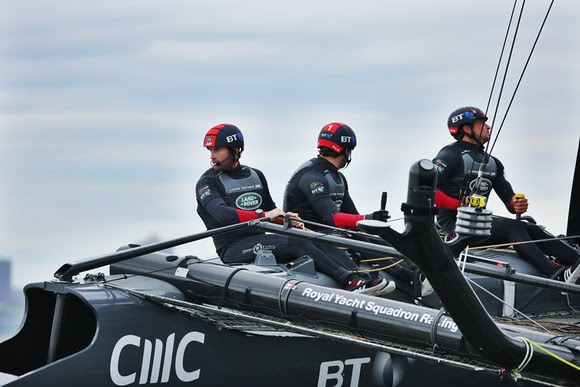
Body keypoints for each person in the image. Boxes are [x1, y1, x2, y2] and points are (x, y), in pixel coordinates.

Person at [196, 123, 395, 296]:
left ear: (235, 149)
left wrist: (284, 218)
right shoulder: (207, 182)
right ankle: (349, 281)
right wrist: (264, 216)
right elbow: (222, 214)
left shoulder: (255, 175)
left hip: (257, 238)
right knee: (295, 242)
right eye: (210, 150)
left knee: (315, 237)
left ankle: (362, 277)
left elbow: (271, 210)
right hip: (232, 248)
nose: (212, 156)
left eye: (217, 150)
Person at [283, 122, 432, 297]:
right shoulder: (313, 176)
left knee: (368, 235)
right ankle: (388, 277)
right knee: (351, 237)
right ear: (346, 150)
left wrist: (373, 220)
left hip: (329, 231)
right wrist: (368, 216)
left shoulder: (337, 177)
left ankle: (415, 272)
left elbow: (353, 217)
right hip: (310, 234)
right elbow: (335, 218)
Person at [432, 106, 579, 282]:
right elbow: (431, 192)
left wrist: (516, 204)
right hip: (453, 227)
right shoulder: (449, 155)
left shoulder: (494, 163)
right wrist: (460, 205)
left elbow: (508, 199)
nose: (488, 127)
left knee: (531, 228)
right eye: (481, 124)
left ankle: (574, 260)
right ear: (466, 129)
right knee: (512, 227)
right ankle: (557, 276)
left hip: (480, 226)